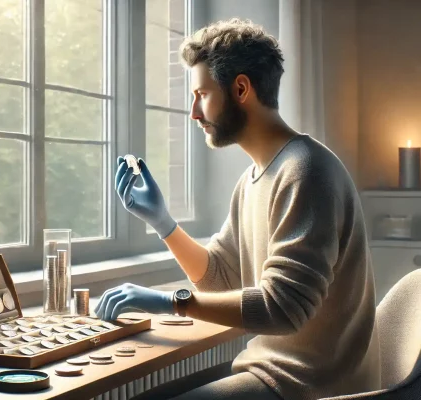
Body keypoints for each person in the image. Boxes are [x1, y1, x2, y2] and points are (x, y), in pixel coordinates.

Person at [94, 18, 380, 400]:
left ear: (241, 88)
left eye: (202, 94)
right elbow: (220, 278)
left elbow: (283, 309)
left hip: (313, 388)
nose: (194, 113)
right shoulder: (253, 179)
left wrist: (168, 302)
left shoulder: (307, 172)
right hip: (273, 375)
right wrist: (163, 224)